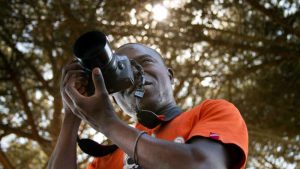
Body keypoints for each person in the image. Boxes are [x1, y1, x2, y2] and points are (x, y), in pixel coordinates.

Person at [47, 43, 248, 169]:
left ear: (170, 76)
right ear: (113, 98)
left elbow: (204, 165)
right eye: (119, 72)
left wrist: (108, 123)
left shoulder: (211, 112)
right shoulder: (107, 160)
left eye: (144, 62)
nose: (134, 73)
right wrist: (72, 113)